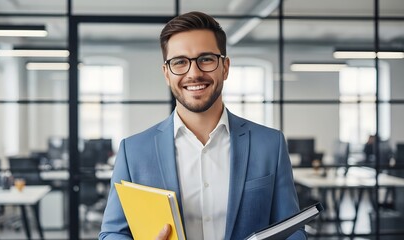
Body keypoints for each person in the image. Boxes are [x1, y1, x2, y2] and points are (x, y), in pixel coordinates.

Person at [99, 11, 306, 240]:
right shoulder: (133, 151)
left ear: (225, 67)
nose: (194, 73)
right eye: (179, 62)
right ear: (167, 73)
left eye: (206, 59)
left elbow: (292, 230)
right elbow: (111, 233)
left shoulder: (270, 145)